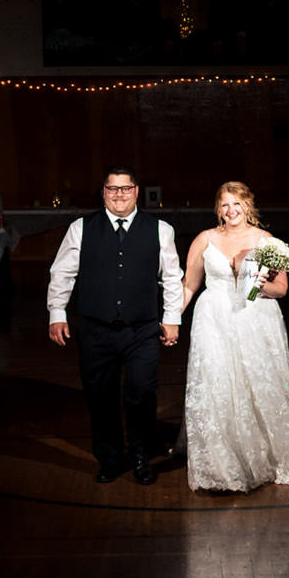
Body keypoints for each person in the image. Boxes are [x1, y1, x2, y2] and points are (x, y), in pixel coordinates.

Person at [178, 181, 289, 492]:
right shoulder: (205, 239)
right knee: (216, 383)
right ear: (217, 209)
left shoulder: (266, 241)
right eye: (225, 205)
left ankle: (266, 460)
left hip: (256, 319)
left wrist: (257, 284)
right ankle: (223, 466)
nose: (231, 211)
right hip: (213, 319)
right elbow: (189, 285)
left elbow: (282, 289)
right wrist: (170, 319)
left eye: (237, 204)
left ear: (248, 206)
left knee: (260, 385)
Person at [46, 165, 186, 486]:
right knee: (101, 396)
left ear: (136, 191)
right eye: (112, 189)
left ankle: (141, 456)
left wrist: (172, 319)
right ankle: (109, 458)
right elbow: (62, 273)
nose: (119, 195)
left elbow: (172, 278)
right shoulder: (81, 228)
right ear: (103, 192)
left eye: (125, 189)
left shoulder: (160, 229)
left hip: (142, 330)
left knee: (141, 393)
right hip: (96, 330)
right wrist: (57, 312)